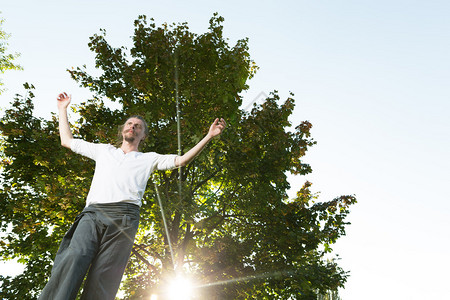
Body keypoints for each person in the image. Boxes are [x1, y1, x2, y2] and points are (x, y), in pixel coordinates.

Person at [38, 92, 226, 300]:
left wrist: (209, 136)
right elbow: (66, 140)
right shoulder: (103, 151)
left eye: (137, 126)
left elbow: (181, 161)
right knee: (75, 256)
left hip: (124, 218)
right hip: (93, 213)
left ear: (142, 135)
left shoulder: (149, 159)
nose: (132, 127)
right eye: (129, 124)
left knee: (104, 275)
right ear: (123, 130)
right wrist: (62, 109)